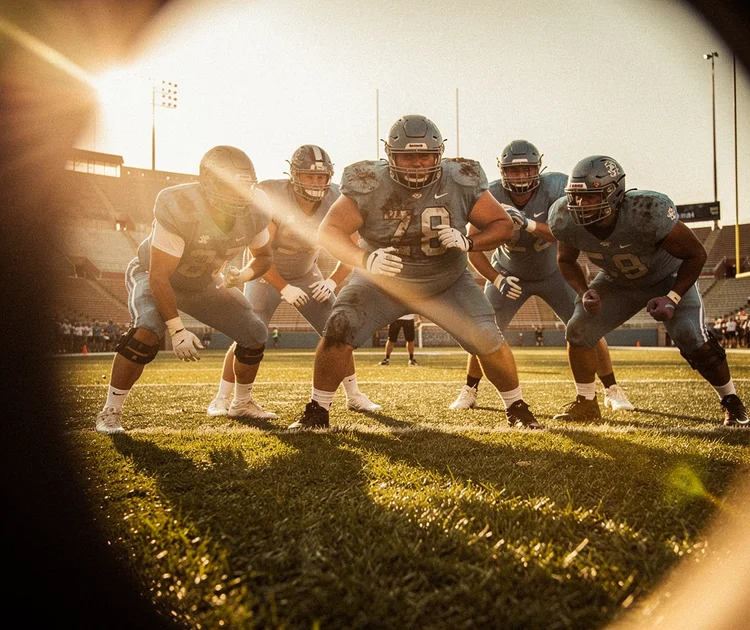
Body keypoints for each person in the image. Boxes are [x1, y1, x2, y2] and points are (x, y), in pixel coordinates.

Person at [288, 114, 541, 430]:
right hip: (382, 282)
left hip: (446, 281)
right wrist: (363, 258)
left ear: (439, 155)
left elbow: (503, 225)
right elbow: (331, 231)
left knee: (487, 336)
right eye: (408, 156)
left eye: (424, 156)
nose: (417, 164)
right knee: (339, 326)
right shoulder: (368, 182)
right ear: (390, 155)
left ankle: (516, 407)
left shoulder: (461, 178)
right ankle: (317, 411)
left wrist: (469, 240)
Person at [547, 155, 750, 427]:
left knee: (690, 335)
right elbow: (565, 260)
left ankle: (731, 401)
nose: (581, 205)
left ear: (614, 195)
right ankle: (586, 404)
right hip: (617, 281)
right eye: (577, 197)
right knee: (578, 329)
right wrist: (584, 290)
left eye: (591, 197)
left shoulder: (646, 211)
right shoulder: (565, 219)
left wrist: (673, 296)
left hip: (667, 277)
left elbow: (696, 254)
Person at [94, 145, 276, 434]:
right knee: (147, 332)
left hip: (203, 283)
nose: (237, 193)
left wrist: (243, 273)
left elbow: (264, 256)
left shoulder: (255, 210)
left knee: (254, 333)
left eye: (243, 185)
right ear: (208, 183)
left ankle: (241, 402)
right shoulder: (180, 204)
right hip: (155, 274)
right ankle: (110, 411)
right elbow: (159, 276)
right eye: (229, 185)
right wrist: (177, 330)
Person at [449, 140, 633, 412]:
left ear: (538, 168)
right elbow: (472, 247)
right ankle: (469, 389)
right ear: (502, 172)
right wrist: (497, 278)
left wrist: (529, 224)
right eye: (514, 171)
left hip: (554, 271)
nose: (521, 176)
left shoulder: (556, 188)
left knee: (587, 326)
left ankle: (611, 389)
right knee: (483, 330)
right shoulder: (492, 194)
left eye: (527, 170)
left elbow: (568, 232)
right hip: (509, 274)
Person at [206, 145, 381, 416]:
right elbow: (261, 254)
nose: (316, 183)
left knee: (338, 330)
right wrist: (284, 287)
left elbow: (351, 248)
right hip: (266, 273)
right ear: (293, 175)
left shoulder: (337, 198)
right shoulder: (273, 196)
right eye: (309, 176)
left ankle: (354, 395)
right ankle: (223, 398)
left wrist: (333, 281)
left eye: (321, 177)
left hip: (306, 273)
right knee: (250, 333)